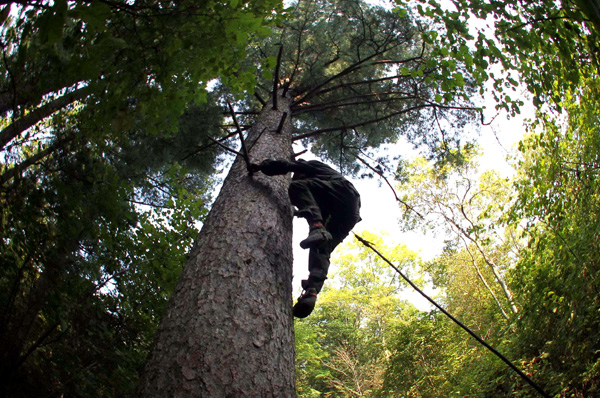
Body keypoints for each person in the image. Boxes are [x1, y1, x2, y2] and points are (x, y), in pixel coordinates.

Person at [251, 158, 361, 318]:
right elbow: (313, 206)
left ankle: (317, 227)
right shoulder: (319, 192)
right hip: (348, 213)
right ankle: (311, 292)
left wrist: (262, 166)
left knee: (297, 188)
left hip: (343, 191)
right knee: (321, 247)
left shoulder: (311, 166)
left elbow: (286, 165)